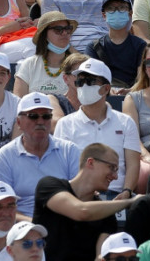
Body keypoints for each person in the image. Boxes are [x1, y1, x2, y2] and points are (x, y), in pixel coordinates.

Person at [33, 143, 141, 261]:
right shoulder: (49, 186)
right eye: (112, 168)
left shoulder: (105, 214)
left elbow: (100, 256)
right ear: (91, 162)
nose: (115, 176)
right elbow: (81, 211)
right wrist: (129, 202)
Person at [54, 58, 140, 197]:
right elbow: (60, 168)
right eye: (80, 81)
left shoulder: (126, 122)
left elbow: (133, 165)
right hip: (78, 196)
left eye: (90, 81)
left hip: (117, 194)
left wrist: (126, 192)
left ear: (106, 88)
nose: (83, 86)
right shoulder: (64, 124)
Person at [12, 12, 76, 98]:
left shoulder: (77, 66)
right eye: (58, 29)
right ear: (44, 35)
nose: (64, 33)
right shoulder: (29, 65)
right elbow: (18, 101)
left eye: (68, 29)